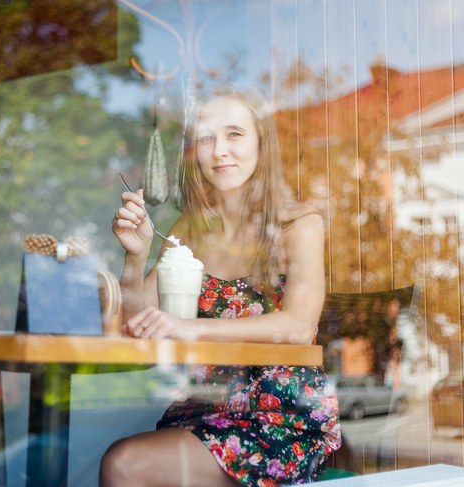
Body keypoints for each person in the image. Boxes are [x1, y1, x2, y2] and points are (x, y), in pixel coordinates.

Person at [101, 86, 341, 487]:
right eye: (207, 137)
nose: (219, 151)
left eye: (234, 134)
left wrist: (190, 327)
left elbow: (299, 326)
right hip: (205, 412)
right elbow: (137, 323)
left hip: (280, 418)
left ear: (262, 144)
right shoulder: (189, 228)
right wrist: (136, 255)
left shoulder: (298, 224)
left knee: (124, 463)